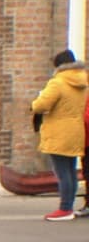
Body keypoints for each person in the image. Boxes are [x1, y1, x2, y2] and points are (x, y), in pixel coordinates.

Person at [30, 50, 88, 221]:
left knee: (62, 172)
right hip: (75, 130)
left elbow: (41, 105)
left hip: (59, 131)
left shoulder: (57, 83)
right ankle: (68, 206)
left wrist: (34, 103)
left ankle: (65, 208)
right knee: (70, 170)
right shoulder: (82, 81)